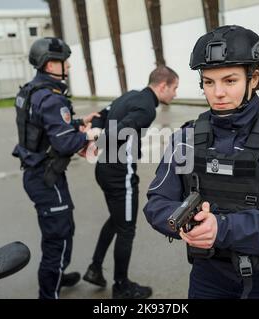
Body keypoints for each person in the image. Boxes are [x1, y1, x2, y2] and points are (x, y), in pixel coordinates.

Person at [143, 25, 259, 299]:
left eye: (229, 81)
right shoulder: (186, 138)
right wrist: (182, 223)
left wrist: (223, 228)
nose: (217, 93)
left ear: (253, 79)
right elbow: (158, 201)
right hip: (208, 278)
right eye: (208, 82)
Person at [12, 37, 100, 299]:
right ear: (50, 64)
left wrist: (75, 121)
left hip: (37, 174)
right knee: (58, 238)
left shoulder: (31, 91)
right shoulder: (52, 98)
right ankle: (49, 293)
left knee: (63, 229)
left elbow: (41, 127)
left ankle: (58, 275)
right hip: (47, 178)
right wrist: (89, 134)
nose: (68, 67)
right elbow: (64, 144)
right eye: (65, 62)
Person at [82, 66, 179, 299]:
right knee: (126, 229)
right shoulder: (147, 108)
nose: (175, 94)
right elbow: (121, 131)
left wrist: (95, 132)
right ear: (162, 86)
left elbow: (100, 115)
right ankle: (121, 286)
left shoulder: (130, 95)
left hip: (104, 170)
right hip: (120, 176)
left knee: (116, 221)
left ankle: (95, 269)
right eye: (174, 88)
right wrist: (100, 139)